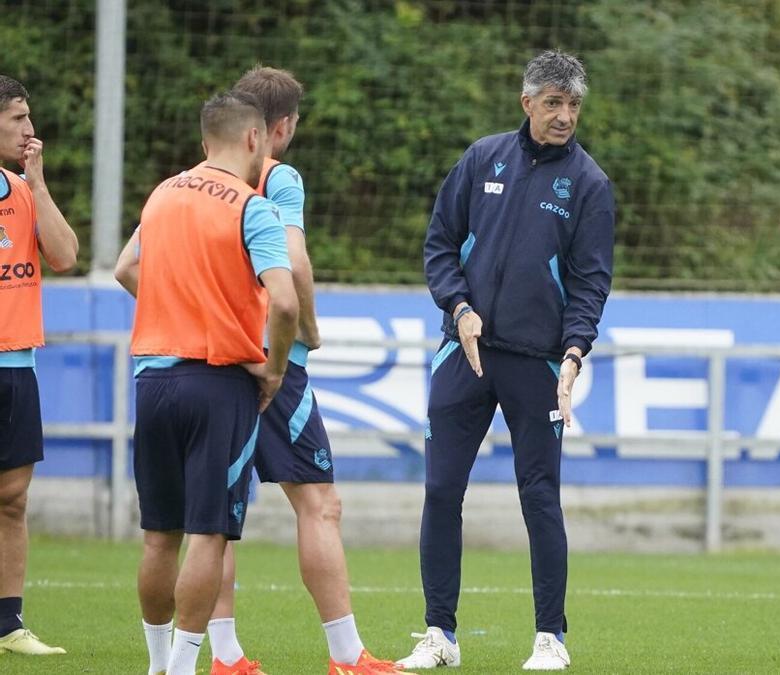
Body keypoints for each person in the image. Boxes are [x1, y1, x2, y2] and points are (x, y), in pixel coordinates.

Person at [396, 50, 614, 672]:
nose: (564, 115)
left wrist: (574, 352)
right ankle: (439, 635)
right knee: (441, 491)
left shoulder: (591, 184)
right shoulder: (482, 158)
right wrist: (459, 307)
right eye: (553, 103)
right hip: (463, 353)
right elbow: (440, 243)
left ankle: (551, 638)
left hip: (539, 364)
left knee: (539, 496)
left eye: (573, 104)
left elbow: (590, 280)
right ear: (527, 103)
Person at [198, 65, 398, 675]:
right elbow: (293, 259)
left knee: (215, 518)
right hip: (270, 361)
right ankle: (346, 656)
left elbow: (135, 267)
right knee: (319, 504)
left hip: (208, 360)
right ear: (280, 127)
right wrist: (307, 329)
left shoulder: (194, 183)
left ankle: (225, 656)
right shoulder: (278, 176)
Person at [114, 90, 298, 675]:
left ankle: (154, 664)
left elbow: (125, 268)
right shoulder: (253, 207)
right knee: (208, 532)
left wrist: (183, 312)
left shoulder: (163, 195)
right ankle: (184, 667)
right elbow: (286, 302)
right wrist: (273, 367)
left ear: (202, 141)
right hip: (217, 384)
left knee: (158, 535)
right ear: (253, 139)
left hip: (153, 381)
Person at [0, 74, 78, 658]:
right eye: (18, 119)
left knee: (13, 498)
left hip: (17, 365)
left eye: (29, 118)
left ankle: (8, 626)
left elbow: (66, 256)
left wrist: (39, 184)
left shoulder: (23, 190)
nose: (31, 130)